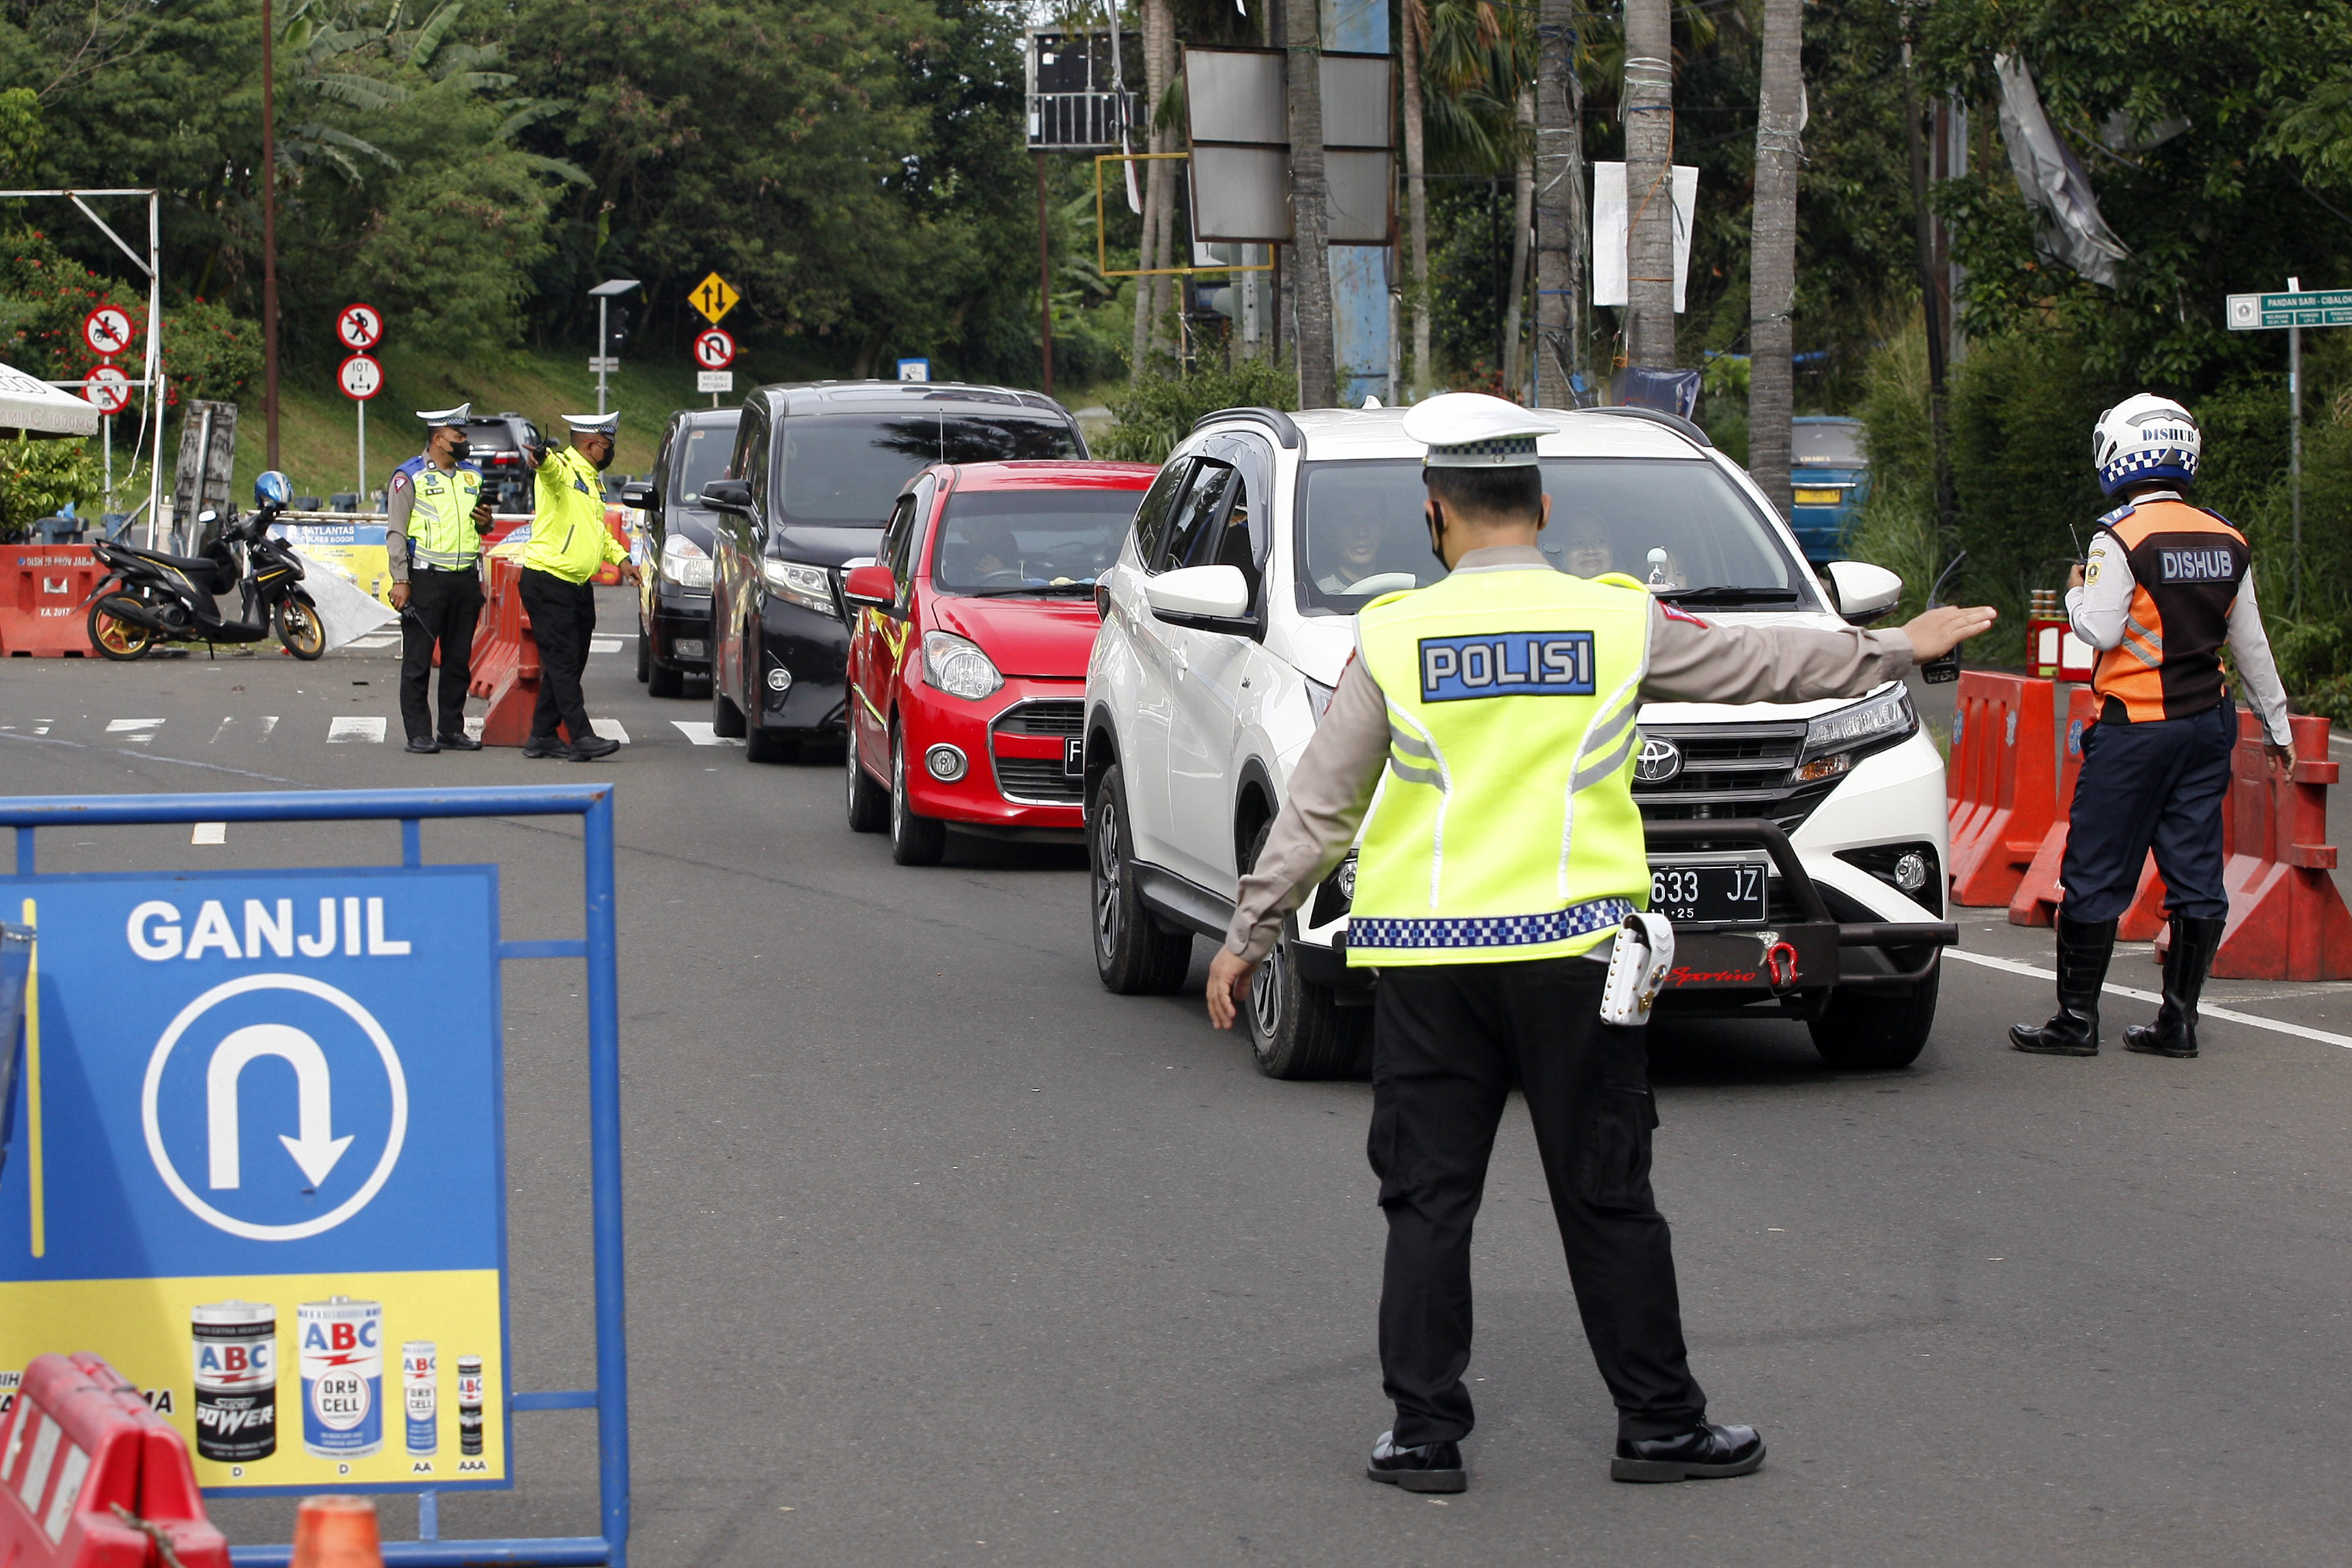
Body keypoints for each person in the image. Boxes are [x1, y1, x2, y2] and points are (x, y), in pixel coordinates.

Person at [1201, 392, 1997, 1493]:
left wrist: (1250, 930)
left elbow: (1321, 806)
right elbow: (1762, 664)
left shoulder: (1391, 635)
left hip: (1429, 968)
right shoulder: (1615, 620)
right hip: (1579, 958)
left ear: (1434, 514)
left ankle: (1424, 1435)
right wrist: (1898, 645)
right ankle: (1660, 1425)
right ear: (1543, 505)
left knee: (1430, 1200)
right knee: (1607, 1191)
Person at [2010, 394, 2294, 1061]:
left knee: (2097, 870)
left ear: (2117, 456)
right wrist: (2278, 729)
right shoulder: (2227, 538)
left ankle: (2076, 1021)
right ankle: (2179, 1022)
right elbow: (2250, 647)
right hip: (2206, 727)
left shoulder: (2118, 537)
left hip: (2135, 728)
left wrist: (2078, 589)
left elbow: (2100, 629)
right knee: (2195, 872)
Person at [517, 412, 637, 761]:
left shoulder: (592, 480)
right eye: (607, 445)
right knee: (563, 662)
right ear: (590, 445)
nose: (610, 452)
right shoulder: (564, 470)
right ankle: (581, 735)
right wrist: (542, 459)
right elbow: (550, 471)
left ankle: (541, 735)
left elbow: (596, 532)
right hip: (549, 579)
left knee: (570, 662)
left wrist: (621, 559)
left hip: (577, 584)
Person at [387, 403, 495, 754]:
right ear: (437, 439)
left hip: (465, 579)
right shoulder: (410, 476)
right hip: (425, 579)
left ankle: (452, 728)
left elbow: (481, 526)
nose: (464, 442)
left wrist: (485, 523)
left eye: (464, 436)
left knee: (458, 660)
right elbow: (396, 532)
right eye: (458, 437)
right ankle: (418, 732)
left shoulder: (472, 477)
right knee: (418, 660)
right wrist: (400, 579)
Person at [1316, 509, 1389, 593]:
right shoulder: (1317, 594)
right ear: (1328, 532)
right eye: (1348, 521)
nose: (1361, 533)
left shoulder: (1402, 588)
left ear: (1384, 529)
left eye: (1370, 520)